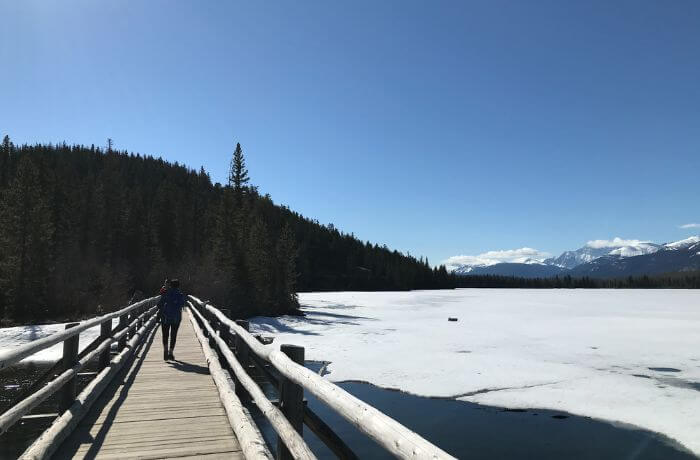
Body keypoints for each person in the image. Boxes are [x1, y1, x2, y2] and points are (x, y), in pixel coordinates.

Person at [158, 278, 185, 360]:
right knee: (173, 335)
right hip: (176, 318)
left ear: (170, 285)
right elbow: (182, 305)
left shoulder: (166, 293)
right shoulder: (180, 294)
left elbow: (159, 305)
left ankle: (165, 349)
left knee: (165, 334)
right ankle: (171, 352)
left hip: (165, 317)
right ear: (178, 286)